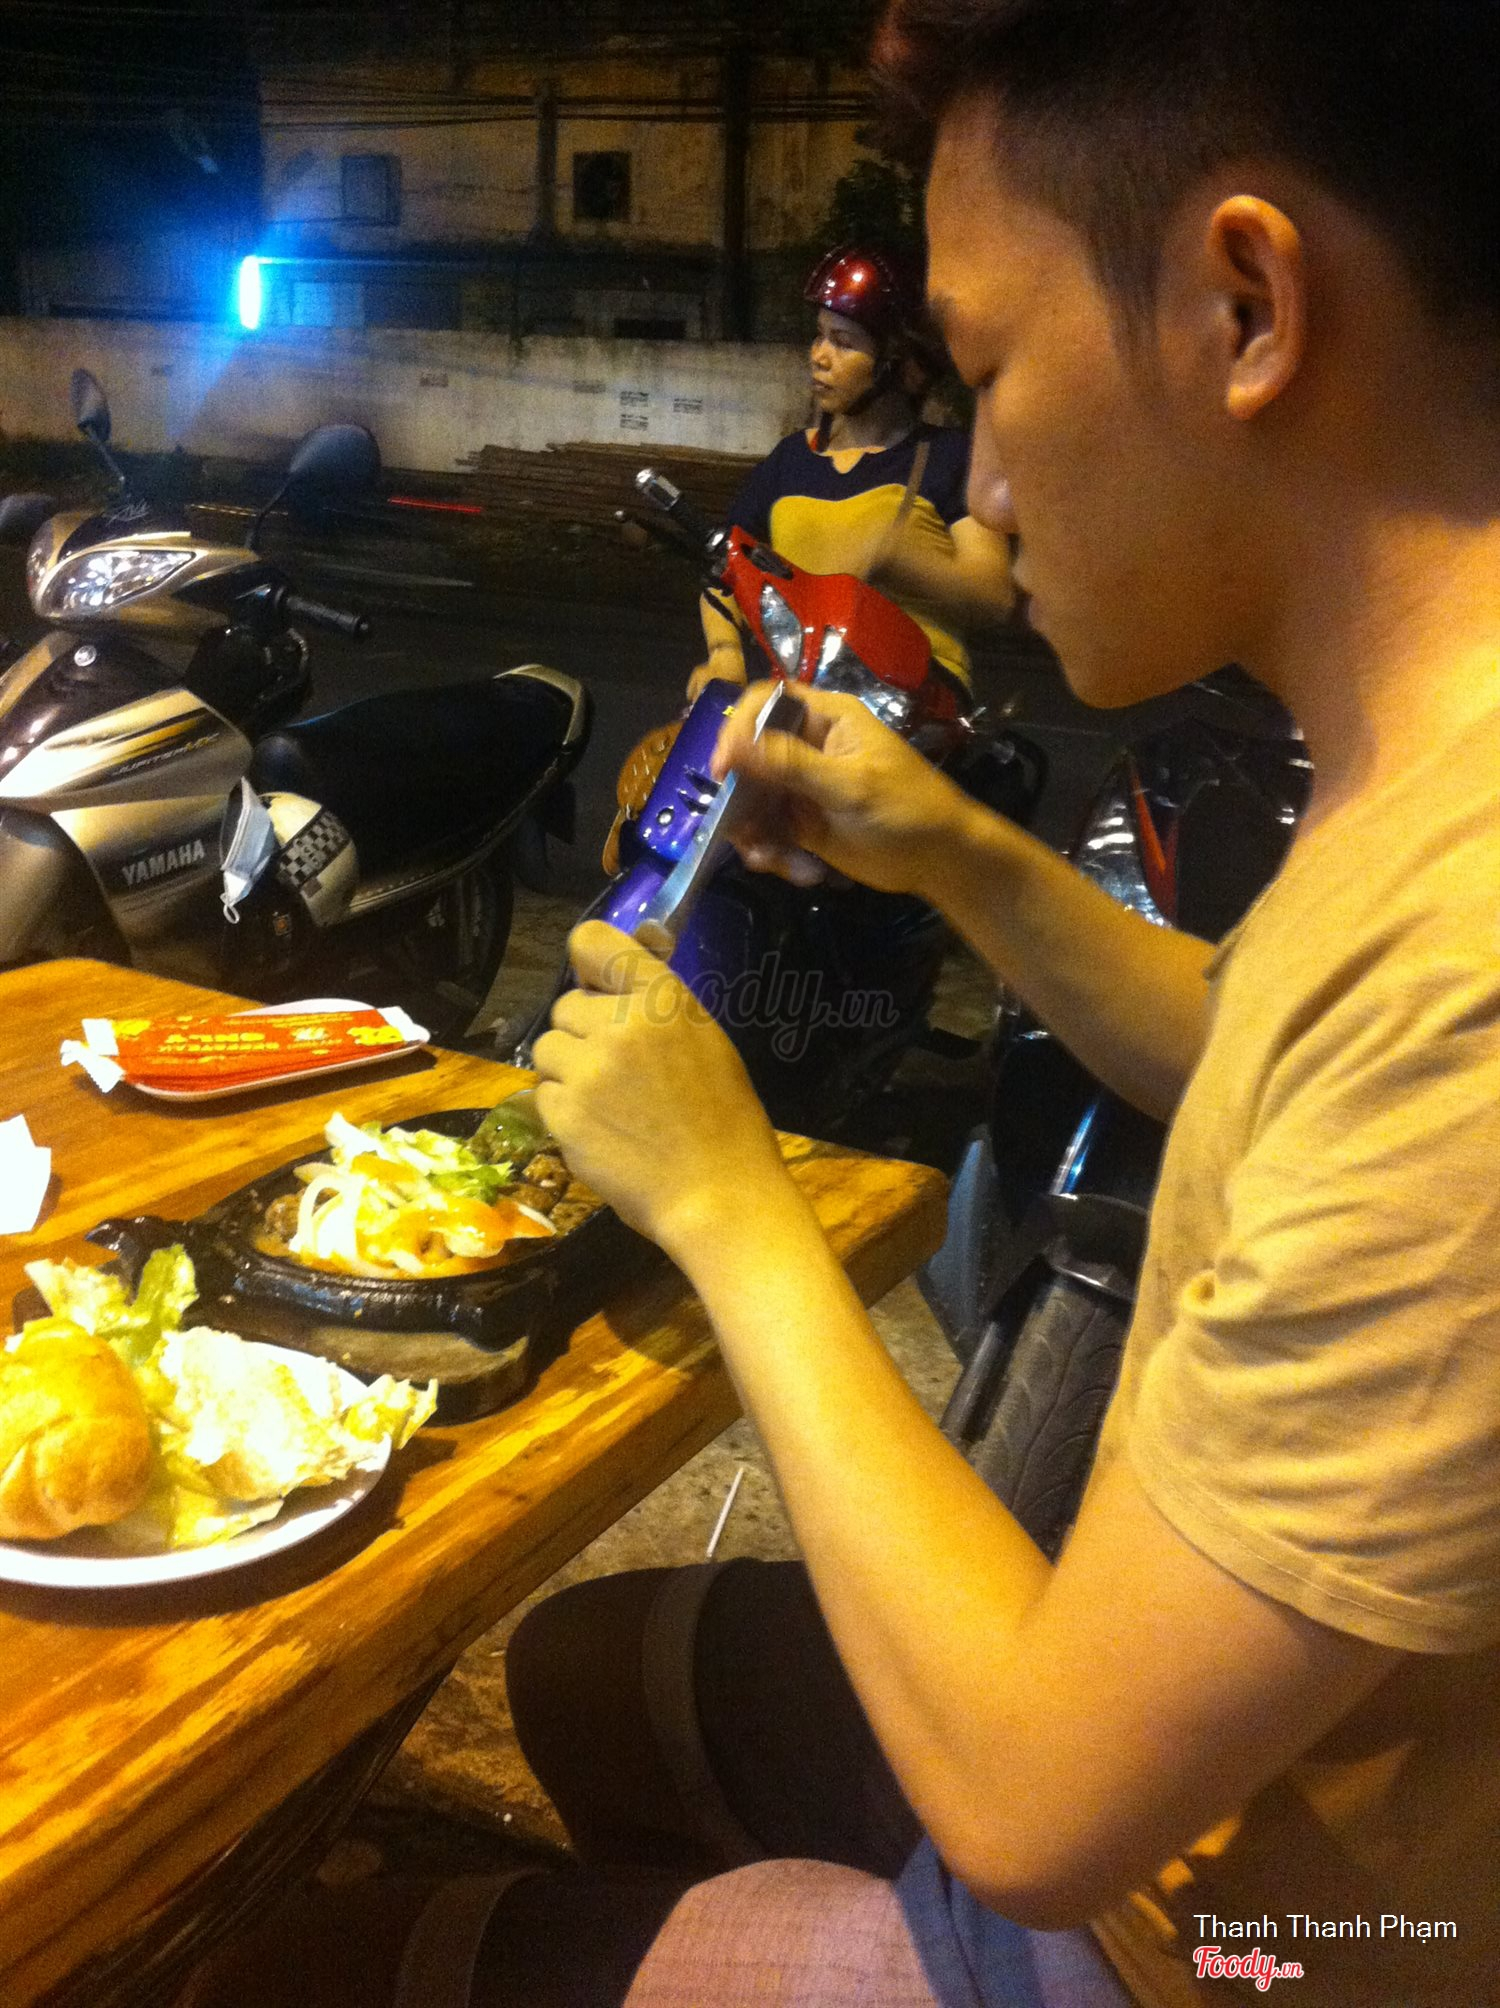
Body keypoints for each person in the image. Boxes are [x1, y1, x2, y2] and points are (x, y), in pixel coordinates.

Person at [176, 1, 1500, 2002]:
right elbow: (1248, 1046)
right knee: (585, 1666)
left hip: (1242, 1937)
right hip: (1201, 1770)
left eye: (990, 369)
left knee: (319, 1964)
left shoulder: (1460, 961)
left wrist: (732, 1198)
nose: (982, 493)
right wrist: (953, 848)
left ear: (1244, 308)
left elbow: (1040, 1807)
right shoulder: (1416, 768)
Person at [685, 242, 1014, 702]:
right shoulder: (789, 462)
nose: (819, 356)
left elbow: (994, 597)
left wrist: (903, 560)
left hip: (916, 705)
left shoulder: (945, 458)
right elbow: (727, 570)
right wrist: (724, 653)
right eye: (819, 336)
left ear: (902, 367)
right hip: (800, 702)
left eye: (842, 343)